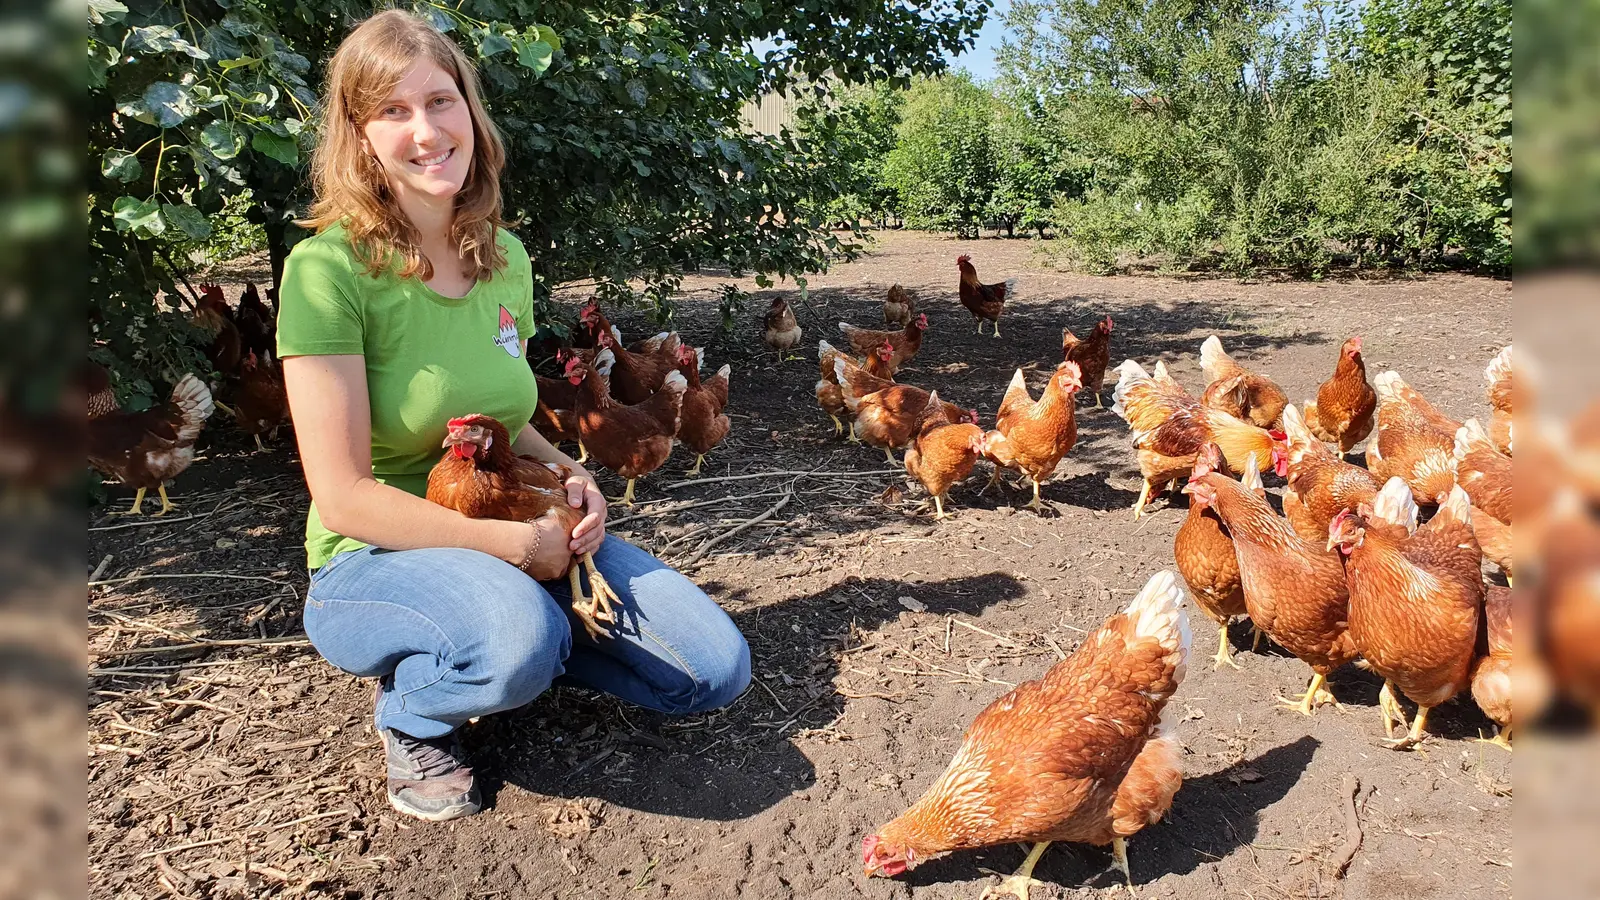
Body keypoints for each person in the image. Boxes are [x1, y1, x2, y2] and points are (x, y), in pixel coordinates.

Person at [277, 10, 750, 823]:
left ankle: (521, 645)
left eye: (440, 101)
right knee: (518, 635)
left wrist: (575, 479)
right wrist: (516, 548)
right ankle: (416, 709)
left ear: (470, 111)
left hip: (512, 514)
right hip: (372, 556)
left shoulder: (506, 258)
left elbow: (515, 423)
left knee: (714, 671)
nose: (425, 131)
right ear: (358, 137)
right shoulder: (328, 273)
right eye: (392, 111)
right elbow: (344, 494)